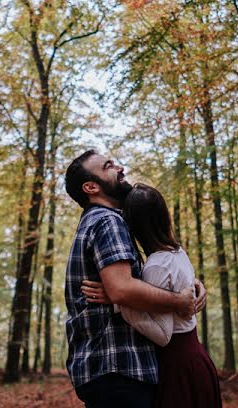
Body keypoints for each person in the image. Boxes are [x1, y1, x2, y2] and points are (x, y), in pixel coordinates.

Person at [64, 150, 207, 408]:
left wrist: (191, 285)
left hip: (110, 370)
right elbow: (122, 289)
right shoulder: (108, 222)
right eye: (108, 166)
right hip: (117, 367)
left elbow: (126, 287)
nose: (119, 168)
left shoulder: (99, 222)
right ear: (91, 186)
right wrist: (178, 301)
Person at [87, 184, 222, 408]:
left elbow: (163, 335)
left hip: (176, 365)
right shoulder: (177, 252)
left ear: (131, 226)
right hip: (195, 360)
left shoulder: (156, 265)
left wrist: (122, 301)